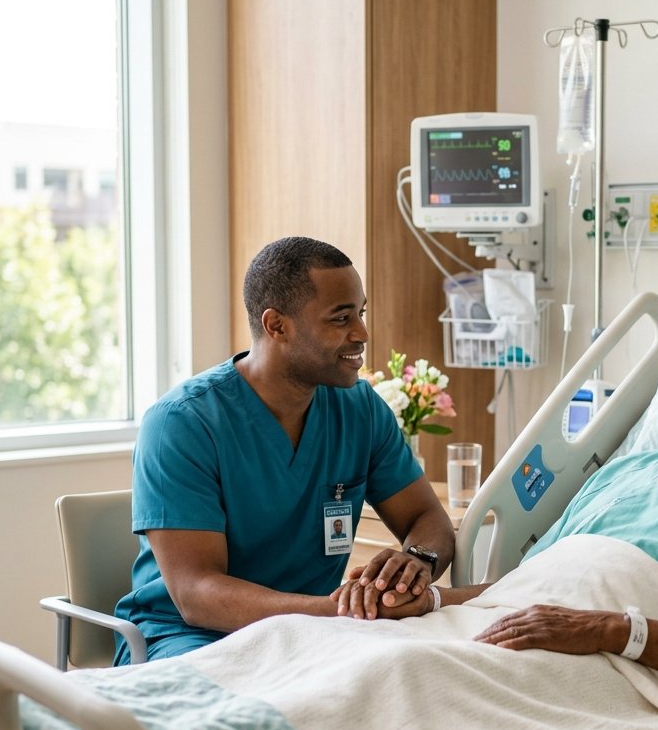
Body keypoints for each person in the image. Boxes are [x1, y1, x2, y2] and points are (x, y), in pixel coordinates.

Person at [336, 294, 658, 694]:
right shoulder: (626, 471)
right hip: (512, 639)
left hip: (604, 674)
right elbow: (526, 592)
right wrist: (427, 601)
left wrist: (611, 632)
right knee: (349, 660)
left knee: (407, 686)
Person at [114, 235, 455, 663]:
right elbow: (196, 595)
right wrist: (343, 610)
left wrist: (416, 564)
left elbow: (427, 519)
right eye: (340, 318)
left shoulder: (360, 409)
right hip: (189, 638)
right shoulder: (183, 423)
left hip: (313, 633)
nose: (362, 333)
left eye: (361, 313)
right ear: (276, 326)